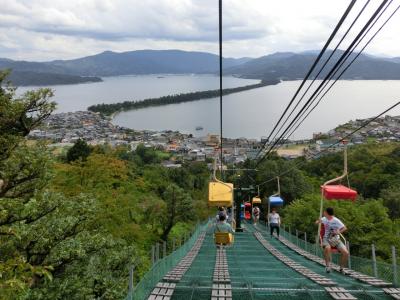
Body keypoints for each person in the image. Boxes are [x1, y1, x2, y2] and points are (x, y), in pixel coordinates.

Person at [316, 207, 349, 274]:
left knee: (346, 252)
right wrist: (318, 221)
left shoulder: (336, 220)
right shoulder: (324, 219)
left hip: (336, 240)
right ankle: (327, 266)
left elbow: (344, 228)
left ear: (327, 213)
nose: (323, 213)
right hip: (326, 239)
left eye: (324, 212)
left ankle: (341, 268)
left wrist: (338, 232)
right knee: (327, 248)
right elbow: (316, 222)